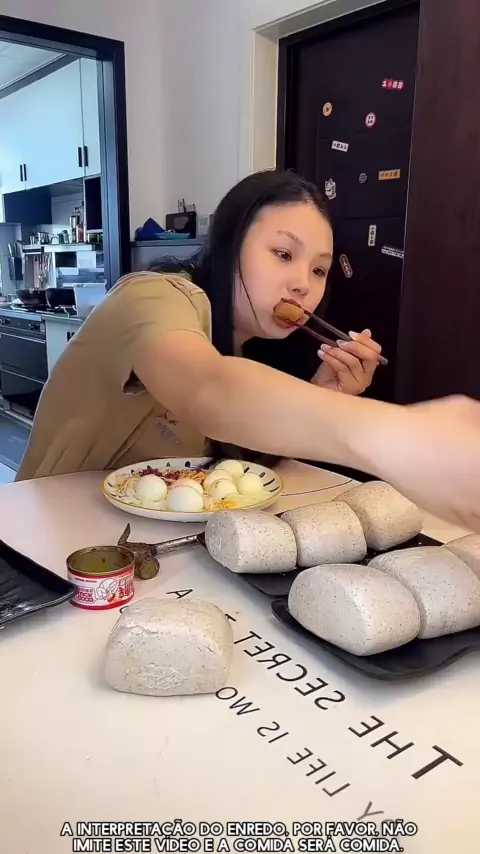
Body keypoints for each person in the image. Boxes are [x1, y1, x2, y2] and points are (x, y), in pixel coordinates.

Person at [15, 169, 480, 532]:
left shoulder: (247, 350)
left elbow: (235, 471)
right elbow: (208, 389)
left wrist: (328, 394)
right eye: (283, 254)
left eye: (319, 271)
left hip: (134, 555)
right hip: (39, 543)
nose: (303, 284)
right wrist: (396, 436)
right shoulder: (153, 296)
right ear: (229, 243)